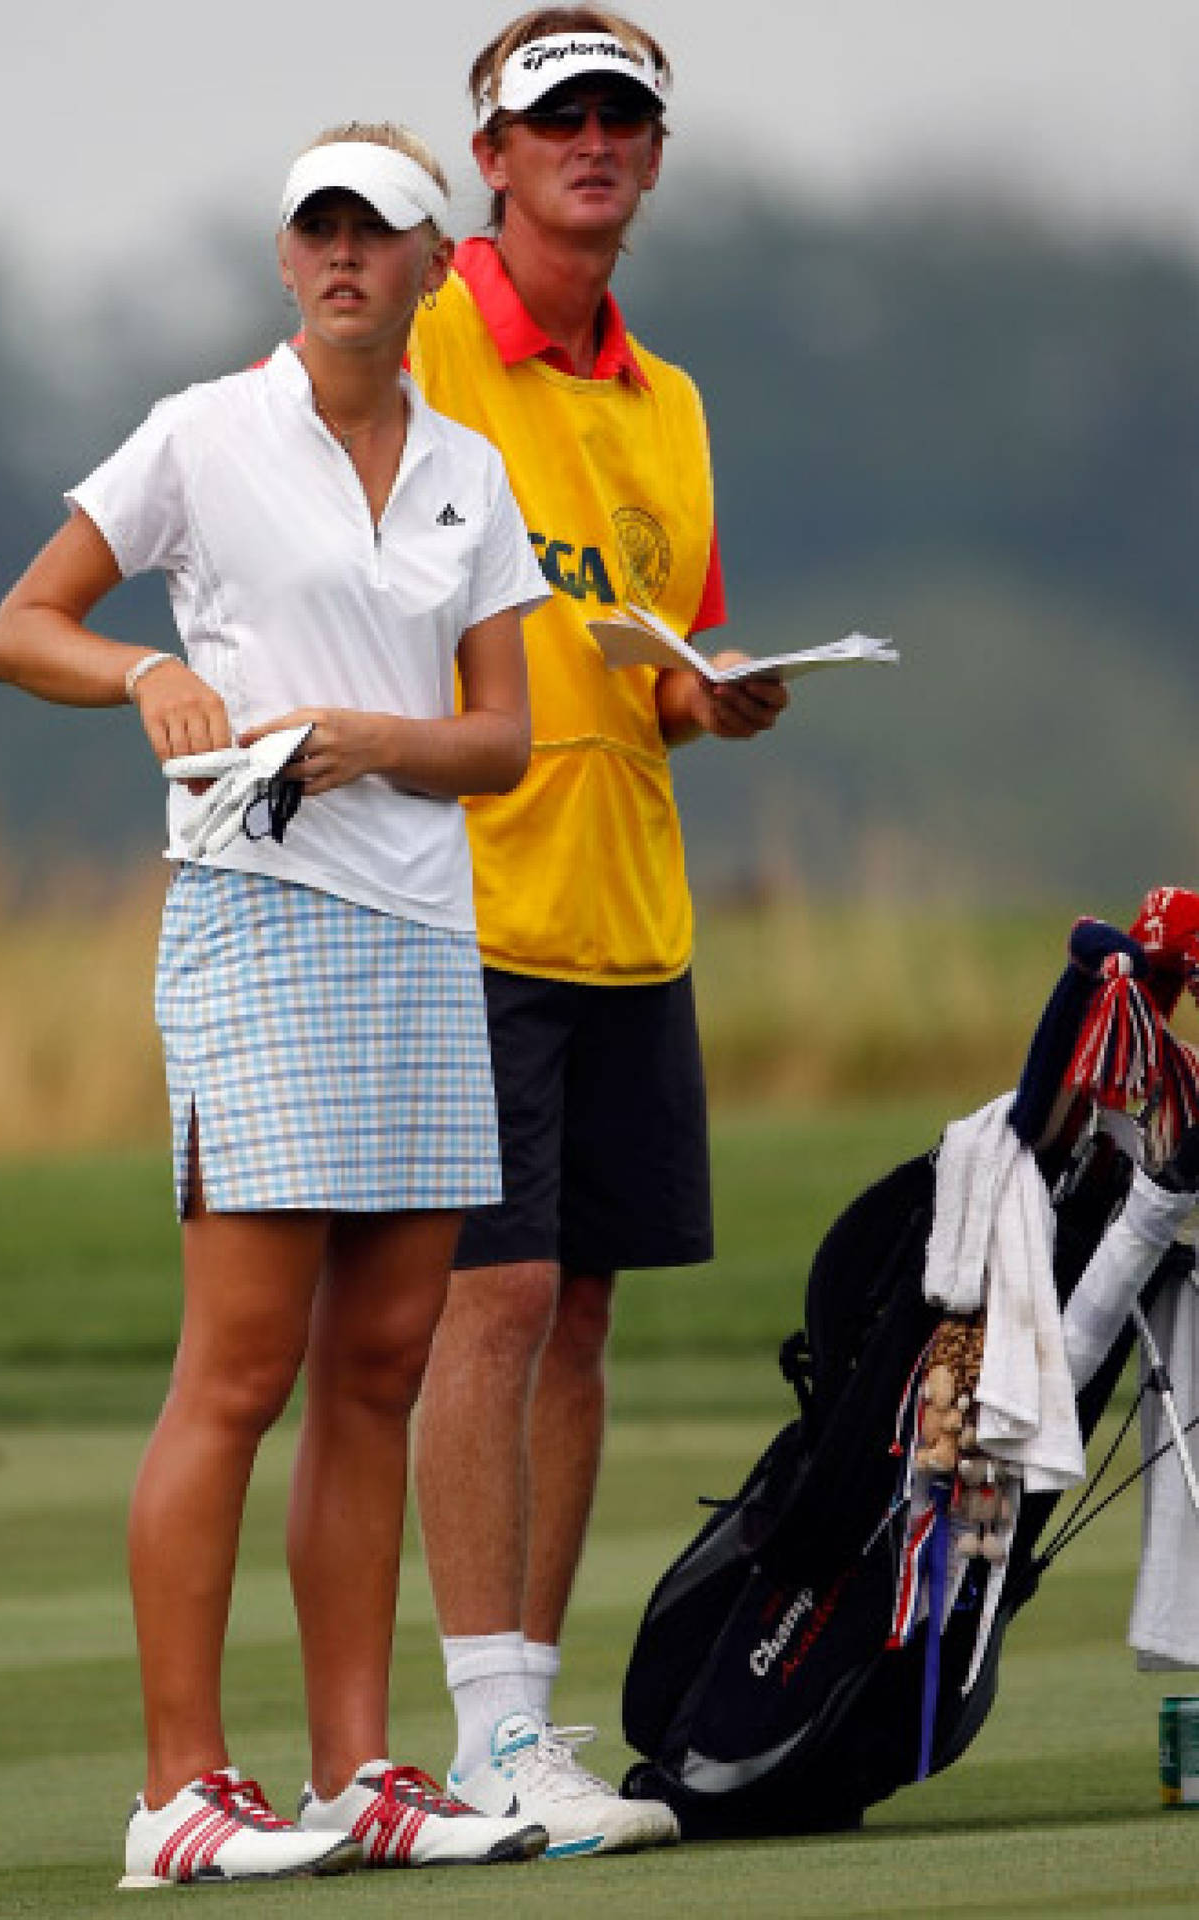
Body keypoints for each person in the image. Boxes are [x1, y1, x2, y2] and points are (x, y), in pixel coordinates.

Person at [0, 126, 553, 1884]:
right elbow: (27, 624)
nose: (342, 260)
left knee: (378, 1368)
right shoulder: (199, 434)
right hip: (258, 915)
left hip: (417, 938)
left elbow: (505, 740)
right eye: (315, 232)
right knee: (237, 1372)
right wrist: (150, 664)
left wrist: (379, 741)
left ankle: (361, 1772)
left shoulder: (466, 468)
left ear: (433, 265)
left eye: (376, 234)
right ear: (283, 260)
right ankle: (178, 1796)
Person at [286, 9, 791, 1862]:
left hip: (628, 916)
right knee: (483, 1304)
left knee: (575, 1316)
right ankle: (485, 1730)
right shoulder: (412, 334)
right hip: (452, 905)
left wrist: (705, 700)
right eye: (551, 117)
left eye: (619, 119)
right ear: (485, 158)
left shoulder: (669, 402)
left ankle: (525, 1718)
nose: (590, 140)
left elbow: (641, 653)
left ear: (651, 162)